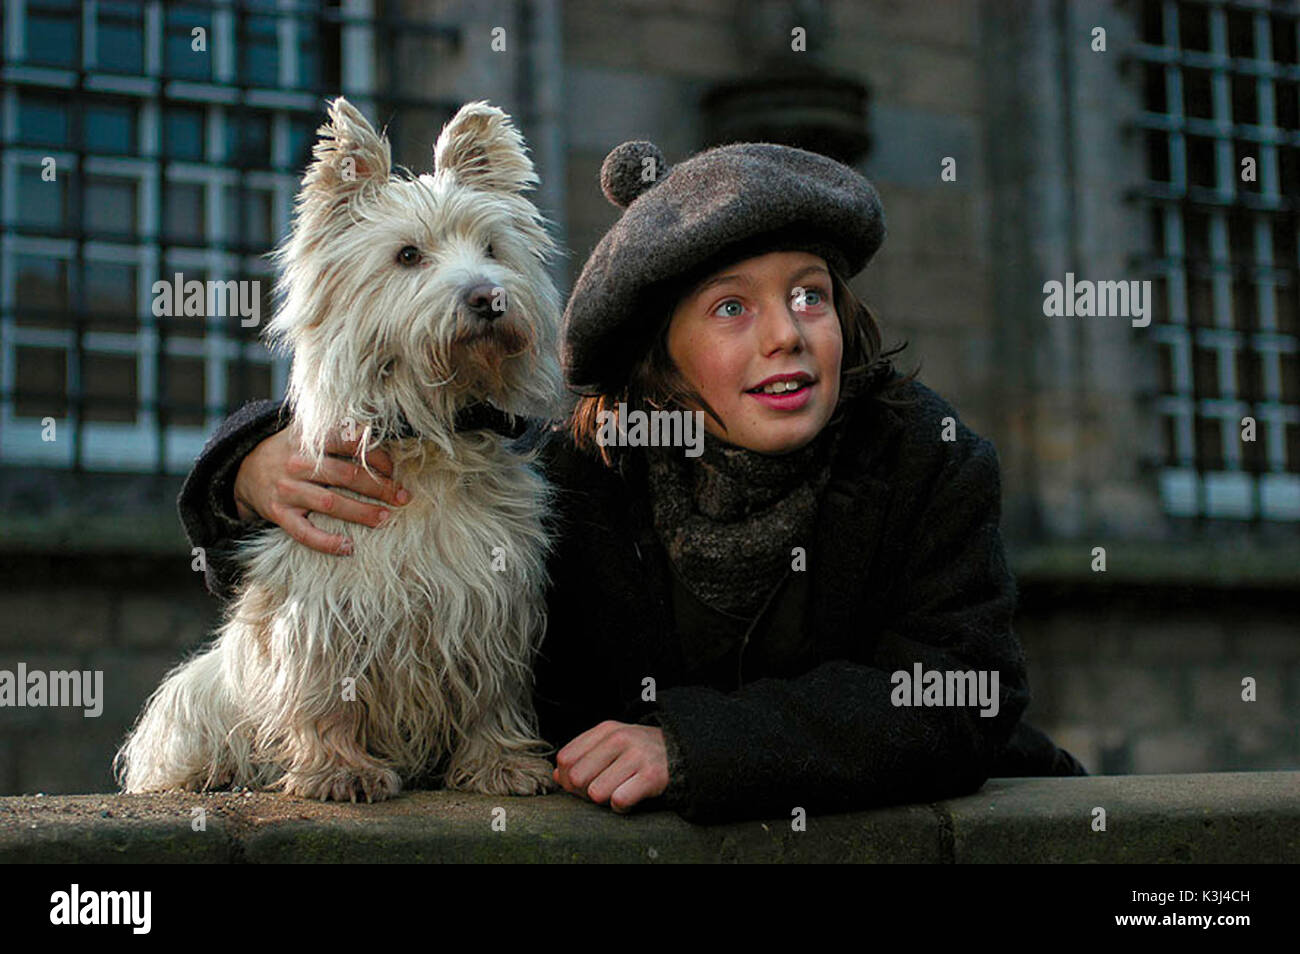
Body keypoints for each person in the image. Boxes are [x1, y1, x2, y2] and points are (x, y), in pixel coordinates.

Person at [179, 138, 1086, 826]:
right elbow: (415, 476)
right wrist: (244, 464)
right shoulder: (590, 470)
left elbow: (961, 694)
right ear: (660, 357)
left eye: (810, 295)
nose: (788, 335)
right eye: (733, 308)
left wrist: (695, 746)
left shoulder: (928, 457)